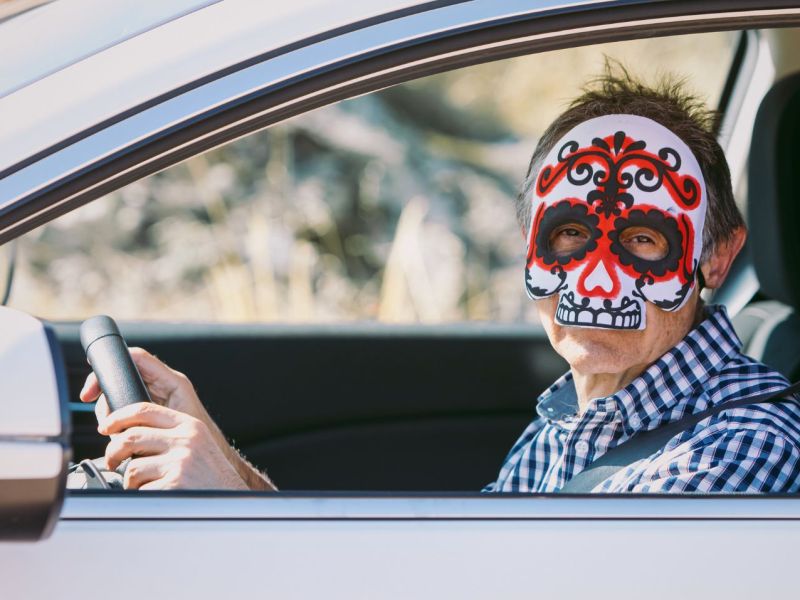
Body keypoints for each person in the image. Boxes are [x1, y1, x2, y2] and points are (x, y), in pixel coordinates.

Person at [80, 68, 800, 492]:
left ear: (715, 258)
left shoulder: (742, 452)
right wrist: (224, 468)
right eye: (570, 234)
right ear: (529, 242)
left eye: (643, 240)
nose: (598, 276)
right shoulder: (566, 428)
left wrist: (231, 514)